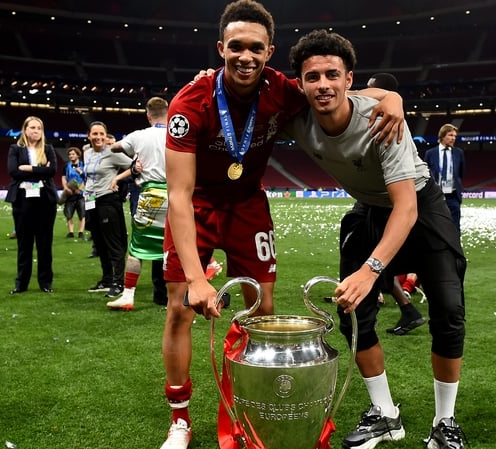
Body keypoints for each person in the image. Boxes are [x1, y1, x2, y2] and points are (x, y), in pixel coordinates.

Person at [159, 2, 404, 448]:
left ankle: (248, 407)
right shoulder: (188, 104)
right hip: (197, 204)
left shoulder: (283, 90)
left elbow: (346, 92)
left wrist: (393, 98)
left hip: (249, 205)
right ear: (221, 48)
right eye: (236, 47)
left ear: (269, 51)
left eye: (256, 48)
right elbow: (178, 194)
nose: (245, 56)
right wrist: (196, 278)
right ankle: (179, 419)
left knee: (262, 310)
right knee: (180, 308)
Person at [285, 29, 468, 449]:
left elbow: (406, 209)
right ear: (300, 84)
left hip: (419, 203)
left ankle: (445, 421)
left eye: (333, 75)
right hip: (368, 207)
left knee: (448, 310)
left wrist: (371, 271)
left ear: (349, 79)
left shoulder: (383, 119)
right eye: (313, 77)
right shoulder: (295, 115)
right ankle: (385, 415)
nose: (323, 85)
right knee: (352, 312)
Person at [365, 72, 425, 336]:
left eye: (370, 89)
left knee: (378, 259)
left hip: (389, 201)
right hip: (388, 198)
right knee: (378, 259)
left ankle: (398, 307)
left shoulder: (387, 120)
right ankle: (405, 308)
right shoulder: (392, 116)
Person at [105, 97, 170, 310]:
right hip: (176, 195)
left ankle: (128, 295)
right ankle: (179, 294)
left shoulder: (139, 135)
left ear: (148, 115)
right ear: (168, 113)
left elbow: (114, 147)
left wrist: (134, 154)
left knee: (136, 249)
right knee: (176, 246)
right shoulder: (176, 133)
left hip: (150, 195)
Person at [5, 116, 58, 294]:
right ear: (25, 129)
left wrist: (29, 168)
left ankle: (45, 282)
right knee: (24, 244)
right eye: (32, 127)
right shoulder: (15, 149)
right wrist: (41, 171)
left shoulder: (48, 149)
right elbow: (13, 171)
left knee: (45, 244)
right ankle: (21, 283)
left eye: (39, 128)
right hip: (22, 199)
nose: (36, 131)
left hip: (45, 200)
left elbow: (52, 171)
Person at [83, 121, 131, 298]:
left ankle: (118, 282)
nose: (98, 137)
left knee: (114, 244)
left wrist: (117, 178)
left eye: (101, 134)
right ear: (89, 136)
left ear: (106, 135)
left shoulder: (112, 152)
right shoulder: (86, 153)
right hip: (91, 202)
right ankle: (107, 279)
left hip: (108, 201)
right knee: (99, 244)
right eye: (95, 134)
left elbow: (135, 166)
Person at [424, 124, 465, 236]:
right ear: (442, 136)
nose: (453, 138)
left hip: (453, 196)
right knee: (435, 225)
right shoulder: (430, 153)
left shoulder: (459, 153)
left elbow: (461, 173)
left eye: (455, 136)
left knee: (455, 227)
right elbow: (426, 174)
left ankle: (455, 246)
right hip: (436, 196)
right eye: (450, 135)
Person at [60, 146, 86, 239]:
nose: (71, 156)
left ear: (78, 155)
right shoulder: (66, 166)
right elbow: (63, 178)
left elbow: (86, 178)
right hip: (69, 192)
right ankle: (70, 232)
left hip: (80, 193)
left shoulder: (83, 165)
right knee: (69, 213)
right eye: (69, 154)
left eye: (73, 154)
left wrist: (80, 189)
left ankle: (80, 232)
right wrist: (66, 188)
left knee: (82, 213)